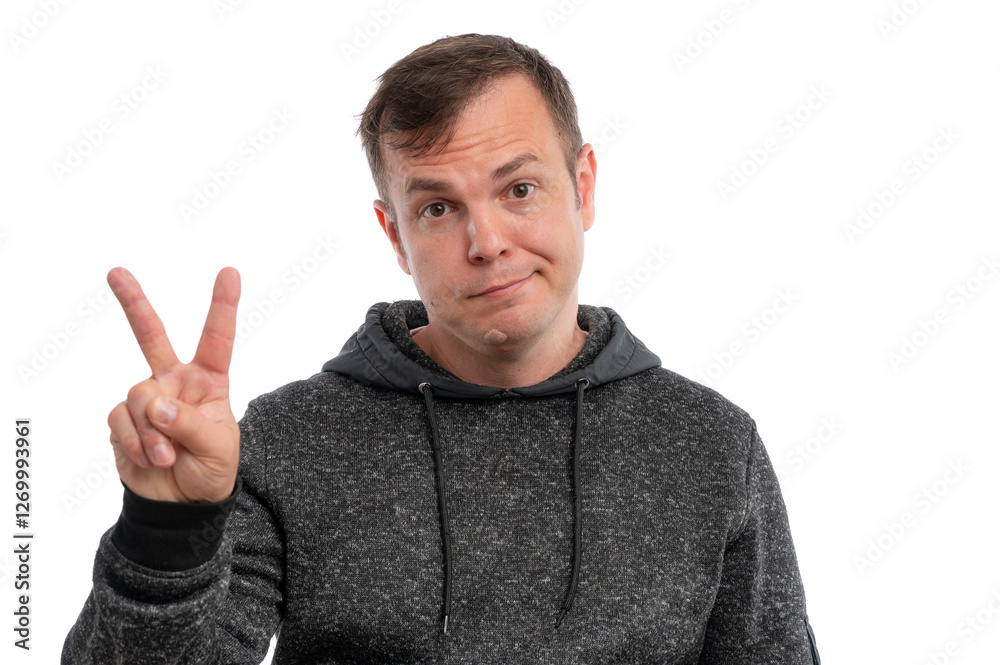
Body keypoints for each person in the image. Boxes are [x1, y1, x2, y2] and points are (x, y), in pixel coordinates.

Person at [63, 34, 821, 663]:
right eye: (437, 208)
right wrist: (167, 532)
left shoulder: (711, 445)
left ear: (583, 185)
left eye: (518, 189)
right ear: (394, 234)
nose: (486, 242)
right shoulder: (291, 440)